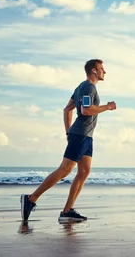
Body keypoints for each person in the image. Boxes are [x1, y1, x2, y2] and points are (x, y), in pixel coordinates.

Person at [20, 59, 117, 223]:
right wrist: (107, 107)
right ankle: (31, 199)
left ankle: (67, 211)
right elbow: (86, 110)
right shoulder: (88, 87)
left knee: (84, 171)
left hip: (84, 136)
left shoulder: (81, 87)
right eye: (102, 69)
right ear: (93, 71)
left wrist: (67, 131)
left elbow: (68, 109)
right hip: (80, 134)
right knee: (65, 169)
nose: (104, 72)